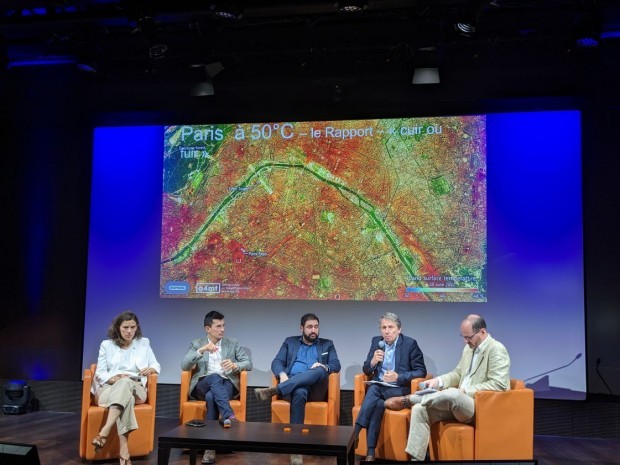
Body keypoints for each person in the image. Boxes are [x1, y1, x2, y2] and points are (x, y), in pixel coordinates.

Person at [385, 314, 510, 461]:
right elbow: (458, 373)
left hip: (477, 407)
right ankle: (416, 460)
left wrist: (464, 391)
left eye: (468, 337)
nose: (465, 341)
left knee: (454, 394)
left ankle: (412, 399)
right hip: (456, 403)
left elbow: (498, 384)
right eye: (463, 337)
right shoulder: (469, 348)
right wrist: (438, 381)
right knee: (420, 410)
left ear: (482, 332)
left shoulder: (496, 349)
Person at [254, 313, 341, 465]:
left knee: (321, 370)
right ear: (301, 328)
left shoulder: (327, 344)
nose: (313, 330)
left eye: (316, 327)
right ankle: (296, 450)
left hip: (316, 390)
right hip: (294, 390)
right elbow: (277, 362)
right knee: (300, 392)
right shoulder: (290, 342)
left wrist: (324, 366)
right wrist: (281, 374)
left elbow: (336, 364)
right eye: (309, 327)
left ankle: (276, 390)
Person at [353, 312, 427, 462]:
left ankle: (355, 433)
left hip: (399, 390)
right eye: (383, 328)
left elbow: (421, 371)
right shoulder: (376, 342)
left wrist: (398, 376)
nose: (386, 331)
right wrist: (373, 362)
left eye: (391, 327)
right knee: (378, 404)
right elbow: (367, 370)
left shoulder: (409, 344)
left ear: (399, 329)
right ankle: (370, 453)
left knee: (374, 389)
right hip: (380, 389)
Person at [181, 310, 252, 464]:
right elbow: (185, 365)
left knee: (211, 397)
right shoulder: (197, 343)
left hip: (226, 382)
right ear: (208, 328)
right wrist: (202, 350)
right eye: (218, 326)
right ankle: (229, 416)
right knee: (213, 377)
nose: (222, 329)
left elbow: (248, 363)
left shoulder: (232, 343)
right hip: (203, 383)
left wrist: (235, 365)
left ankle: (209, 448)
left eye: (223, 325)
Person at [91, 311, 160, 465]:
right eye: (125, 327)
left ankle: (104, 431)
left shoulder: (143, 343)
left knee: (126, 383)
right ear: (118, 328)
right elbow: (100, 372)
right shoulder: (106, 345)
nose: (129, 331)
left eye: (133, 327)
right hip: (109, 389)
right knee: (124, 394)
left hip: (136, 388)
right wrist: (114, 378)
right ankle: (124, 452)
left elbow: (156, 364)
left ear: (137, 328)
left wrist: (151, 369)